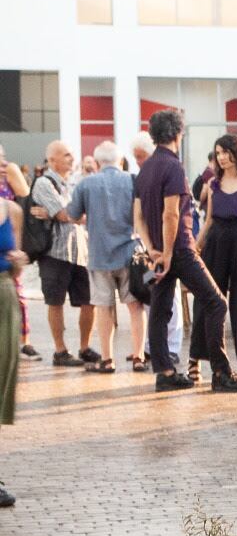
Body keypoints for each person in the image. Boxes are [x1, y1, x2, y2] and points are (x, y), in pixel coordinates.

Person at [133, 109, 237, 393]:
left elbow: (138, 216)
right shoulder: (173, 167)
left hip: (160, 249)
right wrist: (169, 254)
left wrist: (153, 250)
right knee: (216, 302)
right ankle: (220, 373)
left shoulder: (145, 168)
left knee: (159, 310)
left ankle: (165, 372)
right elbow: (171, 214)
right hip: (179, 248)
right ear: (178, 134)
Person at [66, 141, 144, 373]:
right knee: (135, 307)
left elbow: (72, 214)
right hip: (130, 253)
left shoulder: (86, 184)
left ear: (98, 163)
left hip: (99, 255)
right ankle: (139, 356)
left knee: (104, 308)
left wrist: (91, 218)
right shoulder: (132, 181)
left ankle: (108, 359)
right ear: (120, 161)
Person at [194, 134, 237, 380]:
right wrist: (196, 246)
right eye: (218, 153)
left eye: (225, 152)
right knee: (209, 299)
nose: (222, 157)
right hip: (217, 241)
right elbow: (209, 220)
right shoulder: (214, 183)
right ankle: (198, 357)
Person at [29, 141, 97, 368]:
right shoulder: (43, 183)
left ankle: (85, 347)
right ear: (52, 160)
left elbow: (69, 213)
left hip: (80, 252)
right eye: (66, 155)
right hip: (54, 253)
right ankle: (60, 351)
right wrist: (82, 215)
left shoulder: (72, 183)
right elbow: (64, 214)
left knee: (89, 301)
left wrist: (66, 214)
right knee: (55, 302)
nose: (72, 158)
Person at [129, 130, 185, 368]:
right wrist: (152, 248)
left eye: (141, 156)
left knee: (169, 300)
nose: (138, 161)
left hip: (165, 250)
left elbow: (171, 215)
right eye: (136, 157)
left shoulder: (165, 172)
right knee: (156, 298)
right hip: (153, 252)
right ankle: (157, 349)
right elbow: (139, 217)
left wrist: (163, 250)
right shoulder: (144, 177)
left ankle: (170, 349)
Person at [0, 210, 27, 505]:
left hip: (4, 296)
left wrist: (17, 263)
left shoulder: (11, 211)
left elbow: (15, 265)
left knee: (1, 383)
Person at [0, 147, 36, 361]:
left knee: (18, 294)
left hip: (8, 241)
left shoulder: (12, 208)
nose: (3, 164)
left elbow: (25, 195)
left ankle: (24, 341)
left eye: (4, 159)